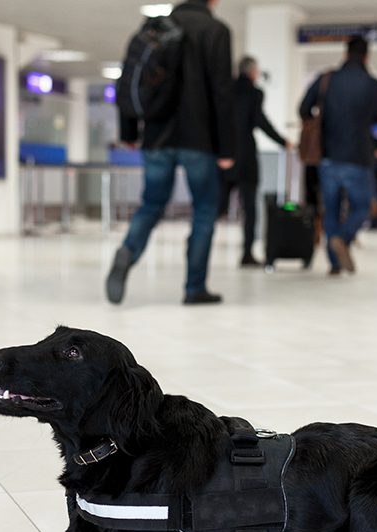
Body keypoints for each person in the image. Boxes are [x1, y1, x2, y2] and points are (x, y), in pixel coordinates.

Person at [107, 0, 235, 305]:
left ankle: (128, 251)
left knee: (151, 204)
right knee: (204, 210)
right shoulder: (216, 31)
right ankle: (194, 288)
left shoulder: (153, 28)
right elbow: (222, 91)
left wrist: (128, 133)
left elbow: (129, 80)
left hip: (156, 137)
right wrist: (227, 147)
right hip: (199, 139)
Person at [299, 36, 377, 275]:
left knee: (332, 208)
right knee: (363, 208)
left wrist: (321, 123)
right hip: (359, 156)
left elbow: (304, 108)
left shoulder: (327, 79)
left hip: (328, 155)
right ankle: (343, 239)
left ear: (345, 53)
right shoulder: (373, 84)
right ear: (367, 56)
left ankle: (335, 263)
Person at [221, 56, 290, 267]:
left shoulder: (225, 90)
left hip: (224, 154)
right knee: (250, 209)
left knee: (213, 206)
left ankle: (195, 246)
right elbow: (260, 121)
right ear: (252, 72)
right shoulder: (255, 93)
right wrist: (282, 141)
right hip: (246, 157)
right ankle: (247, 253)